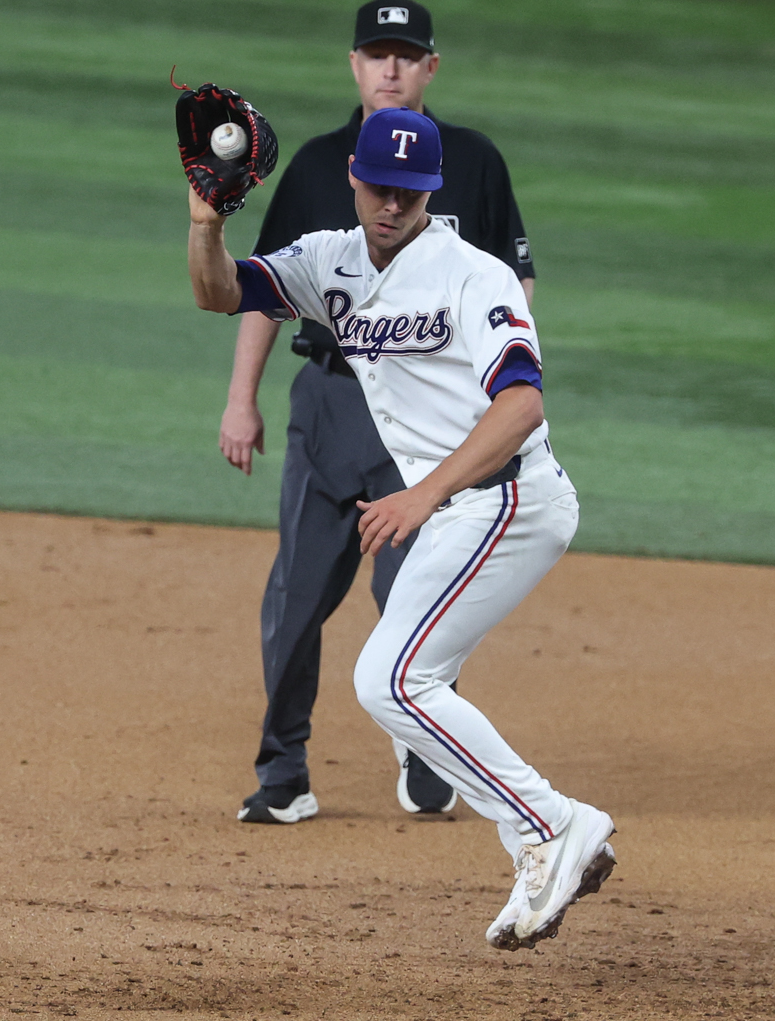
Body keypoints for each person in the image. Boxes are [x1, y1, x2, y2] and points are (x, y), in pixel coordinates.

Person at [187, 105, 617, 951]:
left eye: (410, 192)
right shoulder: (328, 260)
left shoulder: (474, 274)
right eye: (381, 186)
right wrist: (206, 223)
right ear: (355, 176)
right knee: (405, 682)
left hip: (509, 500)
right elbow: (221, 292)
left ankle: (551, 824)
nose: (392, 204)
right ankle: (542, 831)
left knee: (391, 679)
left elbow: (522, 405)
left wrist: (422, 495)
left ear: (432, 191)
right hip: (462, 509)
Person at [224, 0, 535, 825]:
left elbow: (513, 283)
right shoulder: (319, 166)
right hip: (330, 403)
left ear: (431, 67)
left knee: (420, 593)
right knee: (297, 595)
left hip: (426, 415)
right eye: (375, 53)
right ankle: (283, 773)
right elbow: (261, 290)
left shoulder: (473, 160)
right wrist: (240, 398)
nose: (389, 68)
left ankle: (428, 747)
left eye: (405, 54)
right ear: (354, 64)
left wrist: (491, 383)